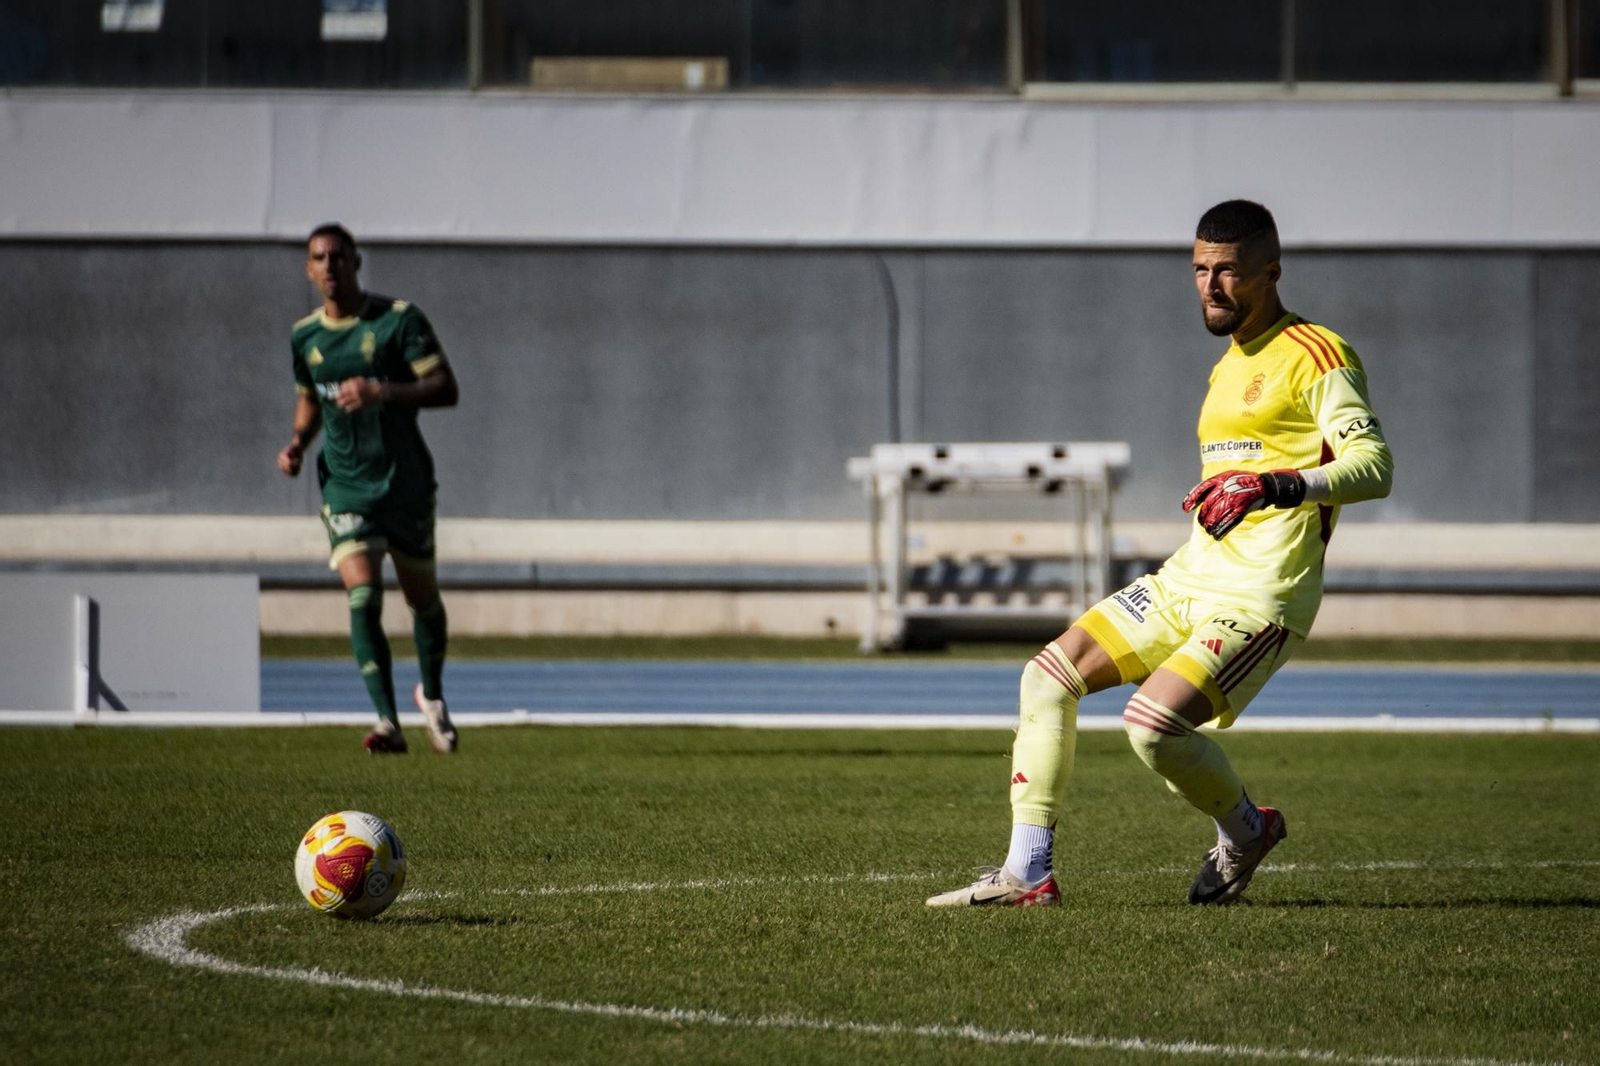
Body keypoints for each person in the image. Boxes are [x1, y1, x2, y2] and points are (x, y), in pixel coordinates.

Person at [927, 200, 1393, 907]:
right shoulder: (1226, 367)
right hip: (1189, 579)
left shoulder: (1317, 354)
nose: (1211, 286)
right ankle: (1028, 873)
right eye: (1200, 269)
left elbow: (1375, 466)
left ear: (1270, 274)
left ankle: (1246, 830)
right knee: (1047, 678)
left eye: (1228, 271)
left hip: (1260, 597)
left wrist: (1276, 484)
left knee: (1151, 727)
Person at [277, 223, 461, 755]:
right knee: (363, 594)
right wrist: (296, 442)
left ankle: (432, 694)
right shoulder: (304, 337)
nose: (330, 266)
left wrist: (381, 390)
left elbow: (445, 387)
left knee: (422, 599)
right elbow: (311, 399)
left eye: (339, 256)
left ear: (357, 262)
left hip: (404, 483)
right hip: (345, 484)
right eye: (319, 258)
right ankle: (388, 722)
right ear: (309, 269)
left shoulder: (397, 321)